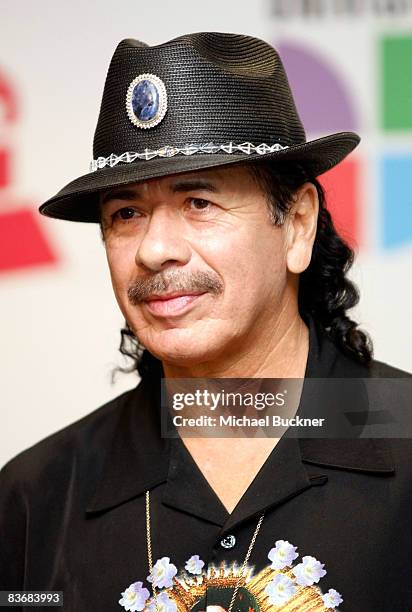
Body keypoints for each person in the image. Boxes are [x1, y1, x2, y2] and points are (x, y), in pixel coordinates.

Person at [0, 32, 411, 612]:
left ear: (296, 225)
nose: (155, 249)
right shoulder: (38, 498)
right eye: (126, 213)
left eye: (199, 203)